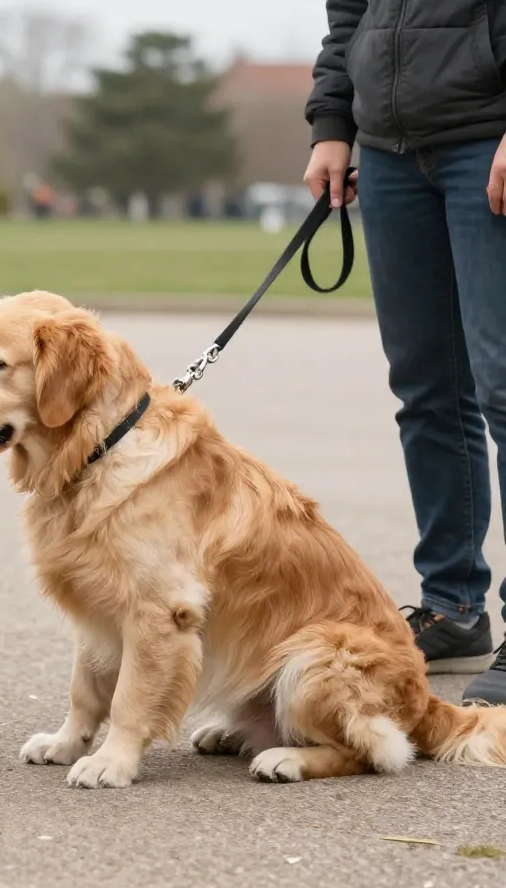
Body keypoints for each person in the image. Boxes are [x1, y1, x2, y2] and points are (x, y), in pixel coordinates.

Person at [304, 0, 506, 705]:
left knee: (504, 387)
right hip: (389, 151)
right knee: (426, 389)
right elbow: (349, 18)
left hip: (486, 136)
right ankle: (453, 608)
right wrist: (333, 125)